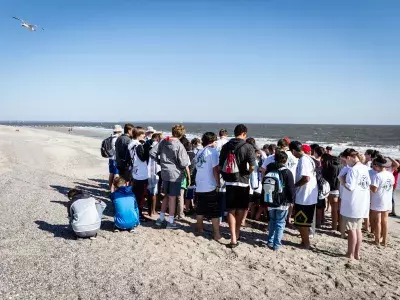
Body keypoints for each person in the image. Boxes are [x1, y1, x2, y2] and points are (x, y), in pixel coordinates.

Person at [219, 124, 255, 248]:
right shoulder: (248, 146)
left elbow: (220, 165)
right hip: (243, 181)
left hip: (229, 181)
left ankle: (233, 237)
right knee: (241, 209)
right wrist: (248, 173)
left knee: (231, 210)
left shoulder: (226, 146)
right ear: (244, 133)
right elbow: (252, 166)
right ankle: (237, 233)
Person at [150, 124, 190, 229]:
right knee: (172, 198)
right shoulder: (179, 145)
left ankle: (161, 218)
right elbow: (183, 163)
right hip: (175, 174)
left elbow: (152, 152)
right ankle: (171, 221)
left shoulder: (164, 141)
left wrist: (160, 161)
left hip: (165, 172)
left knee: (166, 196)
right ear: (182, 134)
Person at [339, 149, 371, 260]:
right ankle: (357, 253)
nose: (346, 163)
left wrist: (342, 181)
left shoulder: (354, 170)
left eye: (345, 160)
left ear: (349, 158)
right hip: (362, 202)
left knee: (352, 229)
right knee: (358, 229)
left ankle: (350, 254)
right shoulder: (365, 168)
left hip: (353, 203)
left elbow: (350, 187)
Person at [289, 141, 318, 249]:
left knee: (302, 223)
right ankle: (304, 241)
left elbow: (306, 178)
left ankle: (306, 243)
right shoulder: (309, 158)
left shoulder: (303, 160)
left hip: (305, 196)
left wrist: (294, 185)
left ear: (293, 151)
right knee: (303, 222)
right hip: (309, 196)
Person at [265, 151, 295, 251]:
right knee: (280, 223)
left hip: (270, 199)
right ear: (285, 160)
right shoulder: (287, 172)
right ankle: (276, 245)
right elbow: (291, 189)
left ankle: (270, 241)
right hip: (282, 202)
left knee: (272, 221)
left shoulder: (269, 169)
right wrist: (292, 200)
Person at [195, 132, 221, 240]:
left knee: (200, 208)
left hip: (199, 184)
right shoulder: (213, 152)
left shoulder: (199, 152)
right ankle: (216, 234)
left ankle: (200, 229)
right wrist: (218, 183)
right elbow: (215, 170)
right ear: (212, 141)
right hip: (209, 184)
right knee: (214, 211)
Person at [370, 156, 395, 246]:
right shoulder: (390, 174)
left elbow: (374, 190)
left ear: (377, 165)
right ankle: (385, 240)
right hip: (387, 199)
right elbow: (391, 185)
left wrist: (369, 186)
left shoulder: (377, 176)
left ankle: (377, 240)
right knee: (385, 221)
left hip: (378, 200)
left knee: (377, 221)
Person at [128, 126, 149, 222]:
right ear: (139, 135)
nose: (144, 136)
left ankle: (135, 212)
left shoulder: (131, 144)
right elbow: (143, 158)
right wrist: (147, 148)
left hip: (135, 171)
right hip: (141, 173)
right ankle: (139, 214)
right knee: (140, 195)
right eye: (143, 134)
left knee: (136, 194)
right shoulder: (138, 145)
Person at [321, 153, 341, 231]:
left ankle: (334, 227)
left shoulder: (329, 167)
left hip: (332, 189)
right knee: (339, 209)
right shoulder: (342, 165)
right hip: (341, 189)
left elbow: (325, 178)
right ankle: (340, 225)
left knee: (334, 209)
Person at [145, 133, 162, 217]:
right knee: (154, 192)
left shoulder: (148, 144)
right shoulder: (157, 146)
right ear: (157, 139)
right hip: (154, 170)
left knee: (149, 191)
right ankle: (153, 211)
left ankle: (149, 210)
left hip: (148, 170)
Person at [107, 125, 123, 192]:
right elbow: (117, 150)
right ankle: (113, 190)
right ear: (119, 131)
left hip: (111, 158)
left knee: (111, 173)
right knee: (116, 174)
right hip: (115, 159)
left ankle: (110, 188)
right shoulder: (116, 139)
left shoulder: (111, 138)